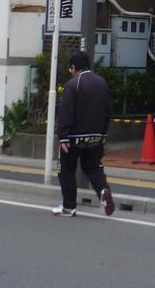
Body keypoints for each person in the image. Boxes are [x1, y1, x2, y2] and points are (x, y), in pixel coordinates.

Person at [53, 50, 116, 217]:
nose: (70, 72)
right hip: (96, 137)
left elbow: (65, 112)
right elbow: (107, 111)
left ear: (74, 67)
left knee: (66, 170)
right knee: (93, 168)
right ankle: (103, 191)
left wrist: (63, 136)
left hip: (73, 137)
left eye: (70, 68)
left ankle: (69, 206)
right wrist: (103, 135)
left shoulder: (74, 84)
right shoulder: (101, 82)